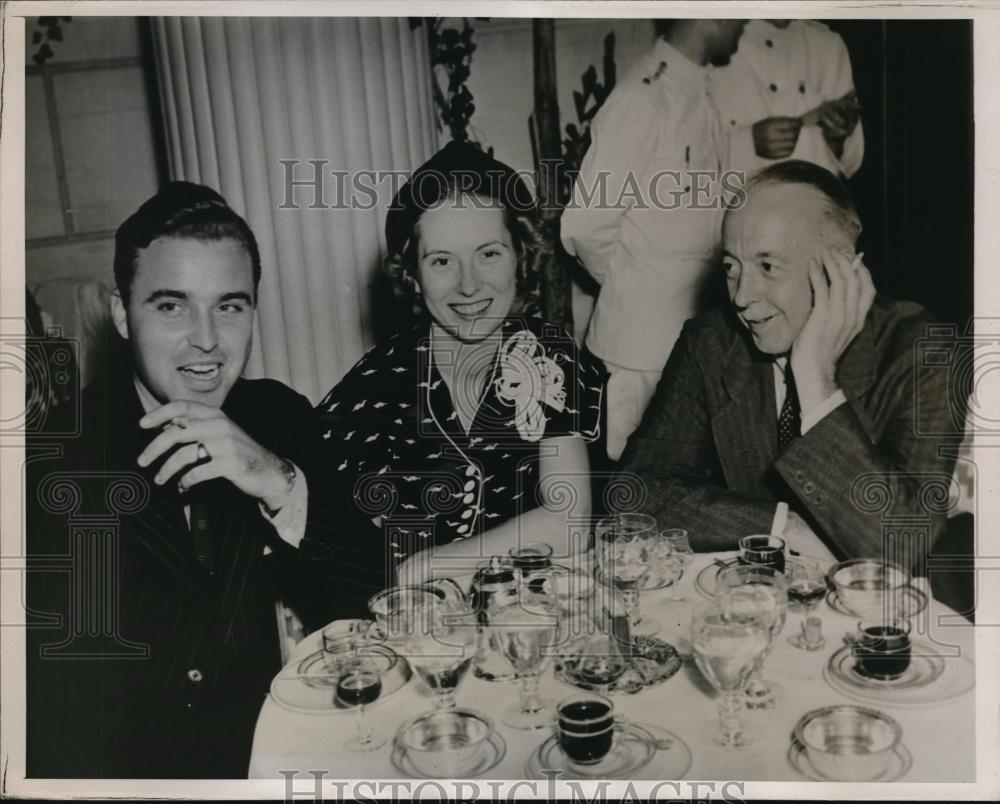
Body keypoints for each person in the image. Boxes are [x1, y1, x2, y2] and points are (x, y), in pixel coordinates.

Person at [26, 183, 338, 778]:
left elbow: (374, 598)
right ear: (121, 314)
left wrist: (277, 480)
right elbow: (51, 723)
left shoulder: (280, 419)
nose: (207, 340)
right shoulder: (54, 462)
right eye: (171, 306)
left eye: (230, 305)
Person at [619, 161, 964, 562]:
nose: (742, 296)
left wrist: (816, 380)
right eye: (732, 268)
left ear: (840, 268)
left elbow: (903, 546)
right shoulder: (711, 343)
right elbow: (631, 495)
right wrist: (781, 527)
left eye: (768, 266)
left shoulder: (922, 350)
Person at [316, 141, 604, 596]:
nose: (468, 285)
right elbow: (329, 535)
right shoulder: (372, 386)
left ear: (521, 257)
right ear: (412, 273)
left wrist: (429, 562)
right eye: (442, 261)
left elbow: (568, 522)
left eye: (488, 254)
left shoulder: (547, 357)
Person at [561, 19, 747, 462]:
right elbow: (585, 224)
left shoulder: (701, 90)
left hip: (694, 337)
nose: (748, 18)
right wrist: (633, 279)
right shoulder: (643, 97)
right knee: (637, 497)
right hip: (642, 352)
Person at [711, 19, 863, 179]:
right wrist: (747, 143)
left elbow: (851, 163)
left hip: (813, 198)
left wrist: (836, 137)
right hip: (742, 198)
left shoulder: (828, 43)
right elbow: (691, 154)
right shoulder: (719, 38)